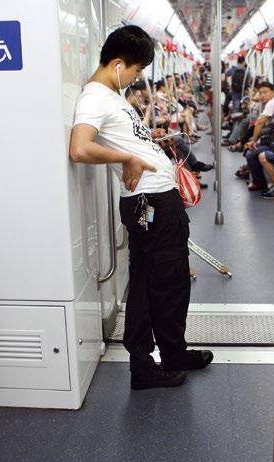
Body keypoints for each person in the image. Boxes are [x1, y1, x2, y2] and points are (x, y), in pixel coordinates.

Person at [68, 25, 213, 390]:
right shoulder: (94, 98)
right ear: (118, 64)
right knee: (155, 284)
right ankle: (144, 366)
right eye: (137, 70)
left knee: (168, 281)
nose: (138, 77)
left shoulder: (112, 96)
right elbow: (80, 148)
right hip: (149, 204)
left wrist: (150, 144)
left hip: (159, 200)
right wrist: (127, 159)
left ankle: (173, 352)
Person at [243, 81, 274, 191]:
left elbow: (260, 122)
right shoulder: (269, 103)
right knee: (249, 149)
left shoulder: (272, 103)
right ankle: (258, 179)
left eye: (265, 92)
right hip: (272, 139)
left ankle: (259, 182)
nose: (262, 95)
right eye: (260, 93)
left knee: (250, 153)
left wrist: (254, 141)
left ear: (273, 92)